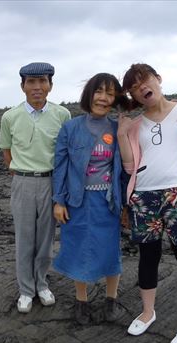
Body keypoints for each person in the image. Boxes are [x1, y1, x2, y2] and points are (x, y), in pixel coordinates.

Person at [117, 63, 177, 343]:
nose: (141, 87)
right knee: (147, 257)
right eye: (133, 87)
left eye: (144, 80)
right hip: (144, 196)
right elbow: (130, 166)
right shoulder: (135, 125)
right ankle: (147, 312)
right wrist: (122, 135)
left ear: (157, 79)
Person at [52, 73, 129, 325]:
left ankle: (111, 300)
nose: (103, 98)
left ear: (115, 98)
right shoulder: (70, 128)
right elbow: (60, 167)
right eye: (99, 91)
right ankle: (81, 301)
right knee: (77, 249)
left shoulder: (119, 129)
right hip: (77, 201)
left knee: (110, 249)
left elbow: (126, 169)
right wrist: (59, 201)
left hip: (108, 202)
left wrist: (125, 206)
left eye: (109, 93)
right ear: (89, 94)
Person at [0, 62, 71, 313]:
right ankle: (26, 290)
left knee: (46, 239)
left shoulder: (62, 115)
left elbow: (64, 153)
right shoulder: (10, 117)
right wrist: (21, 172)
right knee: (24, 238)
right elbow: (7, 152)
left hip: (52, 182)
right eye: (31, 82)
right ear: (22, 86)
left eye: (42, 81)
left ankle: (42, 284)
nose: (37, 87)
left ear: (50, 85)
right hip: (23, 183)